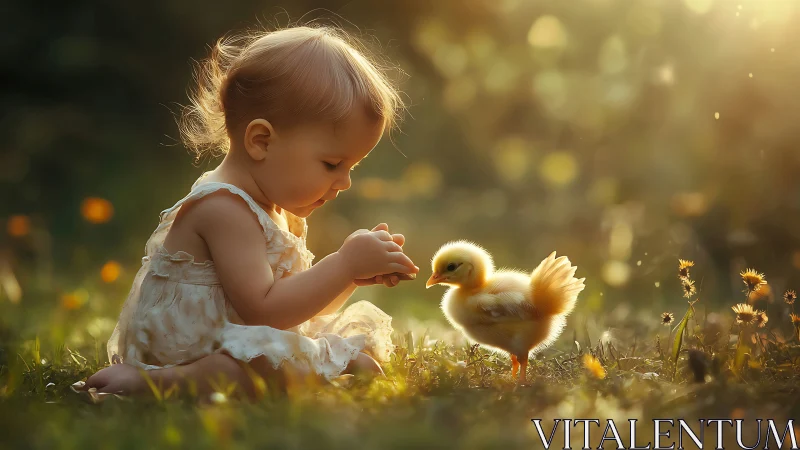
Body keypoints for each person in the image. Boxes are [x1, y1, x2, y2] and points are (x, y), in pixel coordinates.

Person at [74, 25, 419, 400]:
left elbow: (295, 312)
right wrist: (343, 264)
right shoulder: (224, 208)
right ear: (261, 141)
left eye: (352, 167)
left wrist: (351, 276)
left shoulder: (271, 206)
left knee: (321, 344)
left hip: (236, 336)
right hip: (192, 352)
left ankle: (318, 370)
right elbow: (265, 311)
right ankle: (156, 382)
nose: (345, 182)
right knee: (249, 368)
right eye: (333, 164)